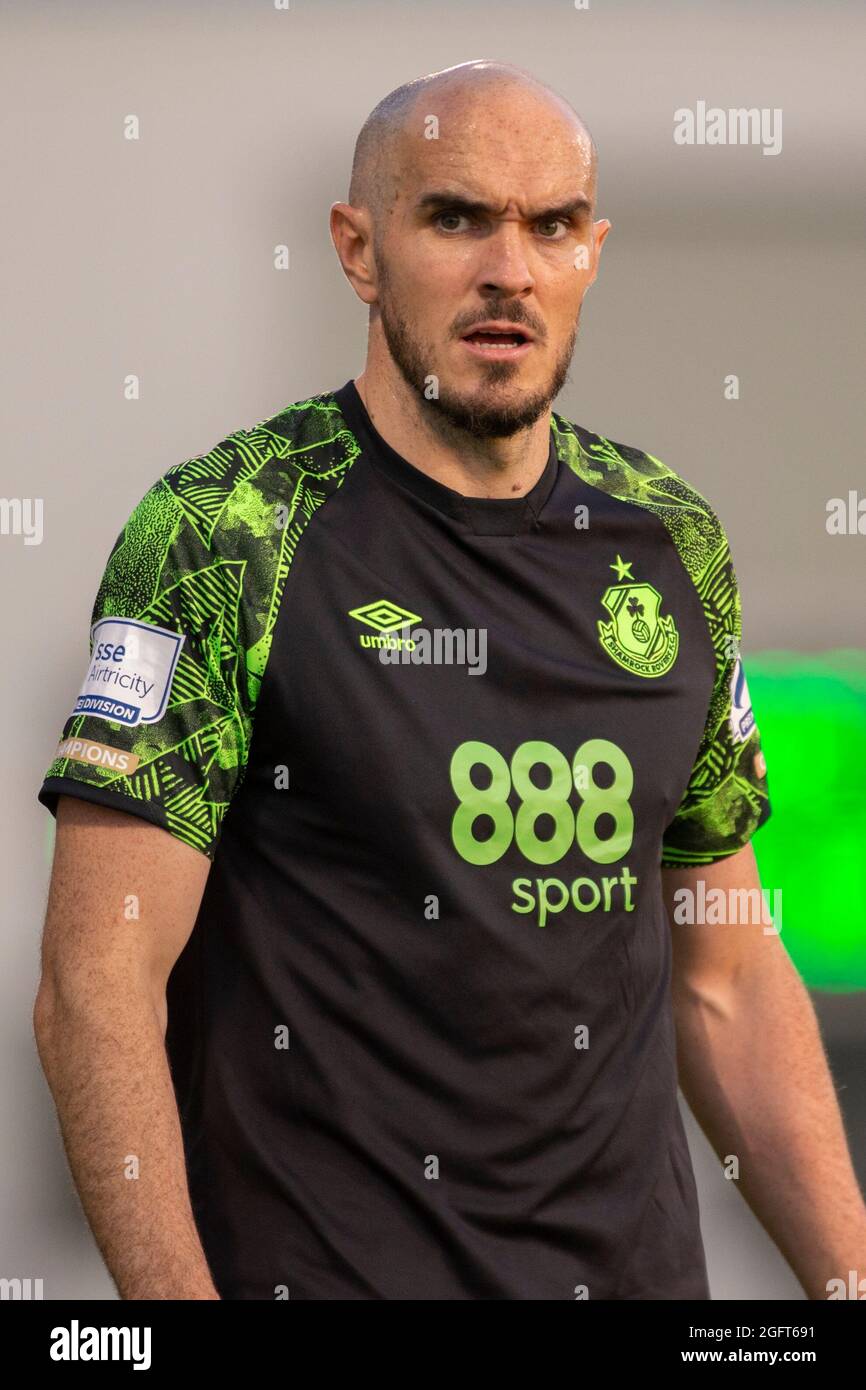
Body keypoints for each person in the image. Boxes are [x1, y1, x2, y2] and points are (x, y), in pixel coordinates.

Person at [33, 60, 865, 1301]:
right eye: (456, 217)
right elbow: (94, 987)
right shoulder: (226, 531)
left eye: (551, 225)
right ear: (356, 249)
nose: (509, 270)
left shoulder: (671, 541)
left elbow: (728, 975)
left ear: (591, 250)